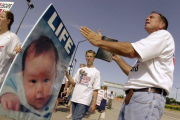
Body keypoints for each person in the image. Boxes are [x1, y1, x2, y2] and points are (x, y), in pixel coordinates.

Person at [80, 11, 175, 120]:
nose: (147, 18)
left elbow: (131, 51)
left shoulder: (163, 35)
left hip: (146, 97)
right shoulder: (153, 48)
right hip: (135, 97)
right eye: (147, 16)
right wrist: (118, 58)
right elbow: (132, 72)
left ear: (161, 24)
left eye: (152, 17)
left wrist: (99, 42)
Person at [0, 35, 59, 118]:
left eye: (46, 80)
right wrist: (8, 95)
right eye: (33, 81)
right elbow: (7, 86)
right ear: (23, 75)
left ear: (55, 76)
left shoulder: (53, 94)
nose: (39, 89)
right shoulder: (16, 81)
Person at [66, 50, 100, 120]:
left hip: (84, 100)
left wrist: (94, 104)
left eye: (91, 56)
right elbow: (74, 83)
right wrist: (67, 75)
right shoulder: (80, 69)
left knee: (76, 118)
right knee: (74, 118)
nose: (89, 58)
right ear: (85, 58)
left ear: (94, 58)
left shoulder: (96, 72)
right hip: (75, 97)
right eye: (87, 56)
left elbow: (95, 89)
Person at [0, 11, 21, 88]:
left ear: (8, 21)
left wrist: (19, 49)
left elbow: (20, 52)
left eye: (2, 17)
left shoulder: (12, 37)